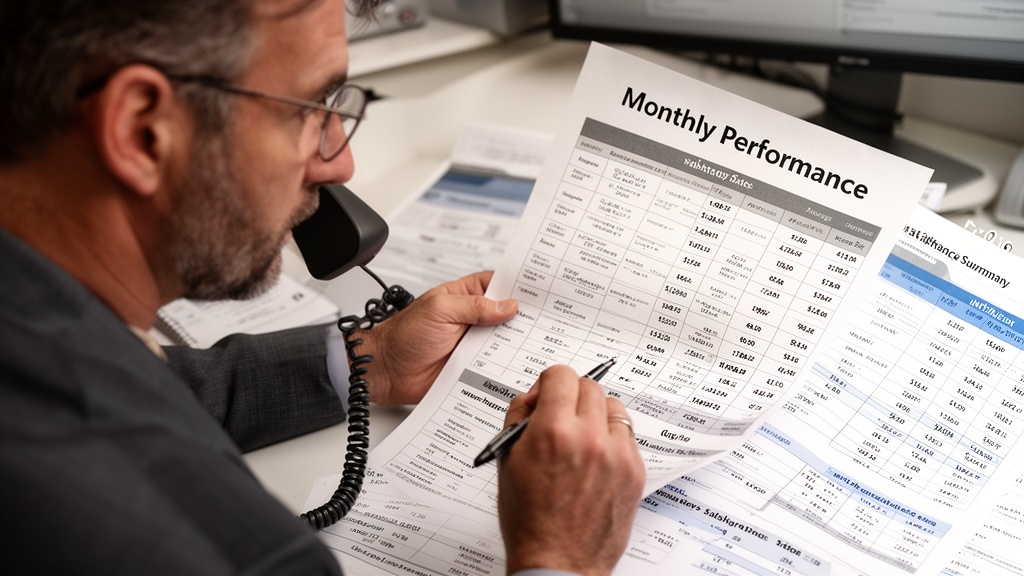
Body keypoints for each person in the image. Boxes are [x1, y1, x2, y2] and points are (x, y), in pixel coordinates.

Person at [0, 0, 645, 574]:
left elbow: (152, 381)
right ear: (143, 132)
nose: (341, 161)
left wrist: (370, 362)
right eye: (312, 109)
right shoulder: (219, 544)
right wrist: (560, 558)